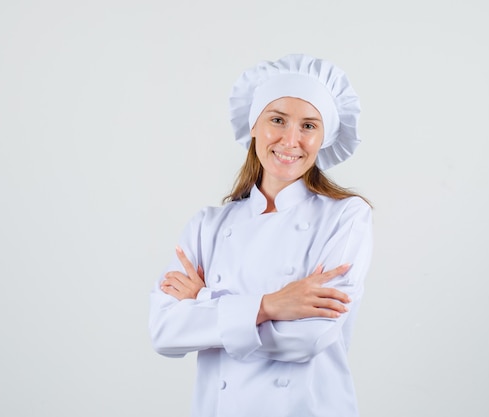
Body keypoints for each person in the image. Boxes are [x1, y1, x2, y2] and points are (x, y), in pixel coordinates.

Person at [148, 53, 373, 417]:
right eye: (278, 120)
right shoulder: (208, 224)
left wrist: (204, 299)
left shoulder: (346, 216)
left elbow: (309, 338)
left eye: (309, 126)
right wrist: (271, 306)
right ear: (253, 125)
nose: (290, 139)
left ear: (324, 137)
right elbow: (165, 332)